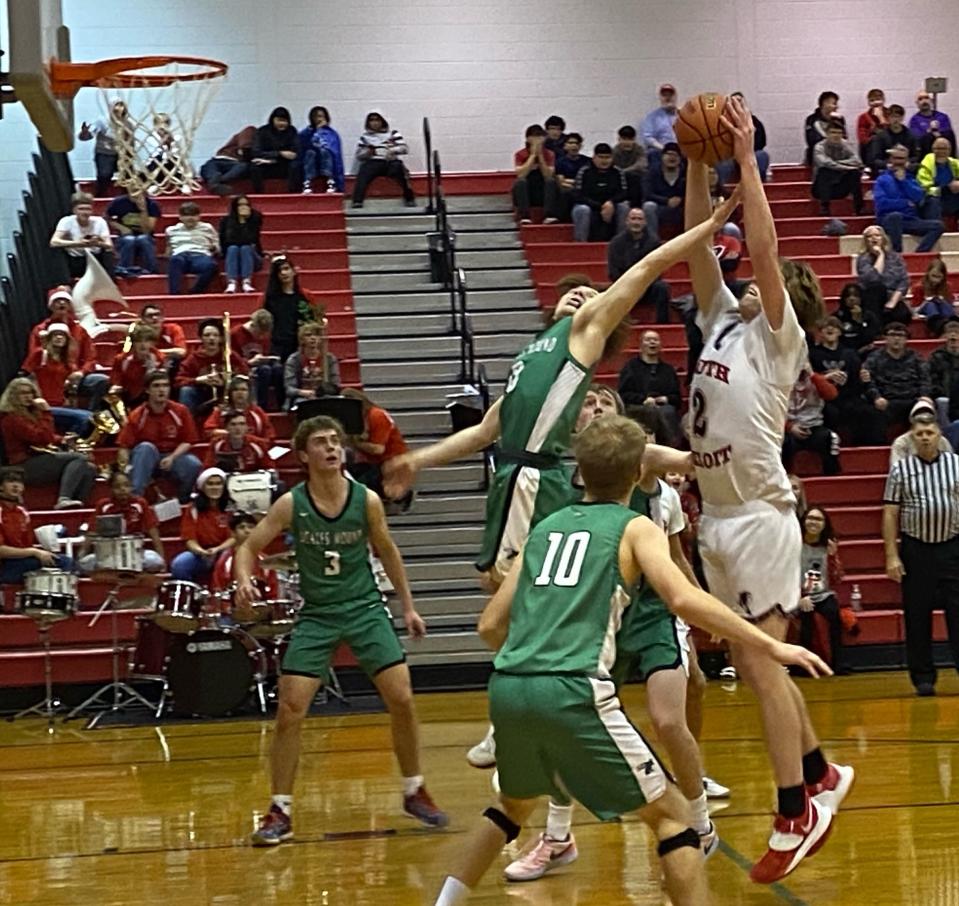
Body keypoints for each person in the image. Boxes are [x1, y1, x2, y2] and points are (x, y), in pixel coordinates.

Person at [432, 415, 829, 906]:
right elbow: (682, 599)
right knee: (676, 820)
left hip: (509, 686)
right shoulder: (635, 526)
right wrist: (770, 645)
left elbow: (489, 626)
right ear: (638, 469)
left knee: (509, 807)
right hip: (573, 689)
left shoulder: (546, 528)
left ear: (580, 469)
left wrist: (533, 656)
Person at [384, 195, 738, 592]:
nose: (580, 296)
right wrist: (418, 459)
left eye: (591, 296)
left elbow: (646, 267)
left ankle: (530, 653)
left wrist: (703, 231)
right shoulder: (536, 353)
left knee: (504, 583)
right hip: (517, 471)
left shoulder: (583, 336)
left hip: (531, 473)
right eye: (574, 292)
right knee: (504, 583)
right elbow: (485, 431)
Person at [685, 96, 853, 883]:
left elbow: (757, 245)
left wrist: (746, 160)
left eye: (765, 277)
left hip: (757, 516)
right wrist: (692, 163)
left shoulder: (775, 339)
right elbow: (697, 254)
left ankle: (796, 808)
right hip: (714, 517)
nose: (749, 278)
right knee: (755, 663)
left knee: (758, 668)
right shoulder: (719, 319)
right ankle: (818, 770)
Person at [238, 416, 447, 844]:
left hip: (364, 607)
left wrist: (408, 607)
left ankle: (414, 789)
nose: (332, 448)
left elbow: (388, 551)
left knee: (402, 696)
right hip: (317, 613)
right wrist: (243, 577)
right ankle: (280, 809)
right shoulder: (291, 504)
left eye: (336, 440)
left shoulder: (366, 500)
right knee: (289, 710)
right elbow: (249, 546)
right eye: (321, 442)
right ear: (304, 456)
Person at [883, 415, 959, 696]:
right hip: (916, 549)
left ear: (940, 434)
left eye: (929, 432)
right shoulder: (901, 470)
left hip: (952, 546)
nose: (925, 437)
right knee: (917, 616)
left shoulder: (957, 465)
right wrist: (892, 555)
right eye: (919, 433)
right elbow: (891, 513)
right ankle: (923, 677)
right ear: (912, 438)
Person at [0, 378, 96, 509]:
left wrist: (62, 439)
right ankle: (63, 498)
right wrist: (46, 412)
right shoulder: (11, 418)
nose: (28, 397)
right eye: (22, 393)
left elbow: (42, 435)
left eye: (30, 393)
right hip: (23, 465)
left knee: (89, 468)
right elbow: (42, 438)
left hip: (37, 458)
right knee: (79, 458)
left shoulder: (29, 413)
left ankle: (76, 506)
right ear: (13, 396)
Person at [117, 370, 203, 503]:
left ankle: (182, 500)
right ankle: (135, 499)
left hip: (172, 456)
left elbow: (188, 440)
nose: (161, 390)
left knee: (194, 464)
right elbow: (124, 446)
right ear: (147, 390)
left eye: (165, 385)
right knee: (146, 448)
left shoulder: (181, 411)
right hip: (145, 459)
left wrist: (172, 457)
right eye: (156, 386)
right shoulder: (137, 415)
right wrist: (125, 469)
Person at [26, 287, 110, 410]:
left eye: (65, 301)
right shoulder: (39, 330)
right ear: (51, 306)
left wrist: (80, 373)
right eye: (57, 300)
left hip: (75, 376)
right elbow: (33, 357)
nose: (62, 303)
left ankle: (90, 415)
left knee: (101, 381)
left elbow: (90, 358)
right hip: (50, 376)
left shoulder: (80, 331)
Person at [811, 315, 884, 446]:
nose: (829, 328)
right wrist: (825, 377)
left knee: (870, 412)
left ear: (840, 331)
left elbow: (859, 381)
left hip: (849, 396)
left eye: (833, 326)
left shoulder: (849, 354)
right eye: (825, 327)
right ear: (820, 333)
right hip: (823, 399)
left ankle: (867, 450)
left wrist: (864, 380)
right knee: (830, 413)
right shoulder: (812, 354)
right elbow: (806, 378)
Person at [798, 507, 853, 674]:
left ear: (824, 525)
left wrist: (833, 556)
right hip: (798, 594)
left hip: (823, 594)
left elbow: (837, 579)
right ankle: (803, 665)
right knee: (805, 619)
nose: (813, 522)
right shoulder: (794, 543)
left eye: (818, 519)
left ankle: (838, 663)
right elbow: (784, 573)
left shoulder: (828, 546)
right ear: (803, 521)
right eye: (810, 518)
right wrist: (799, 596)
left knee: (834, 615)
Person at [78, 471, 166, 574]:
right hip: (109, 555)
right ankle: (118, 570)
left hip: (135, 554)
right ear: (111, 489)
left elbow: (153, 532)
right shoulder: (103, 505)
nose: (122, 490)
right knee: (84, 564)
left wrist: (162, 559)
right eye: (117, 487)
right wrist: (82, 554)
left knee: (155, 562)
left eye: (126, 485)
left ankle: (123, 570)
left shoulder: (140, 504)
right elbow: (91, 532)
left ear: (131, 487)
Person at [0, 467, 76, 584]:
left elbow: (26, 544)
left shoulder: (22, 512)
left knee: (65, 562)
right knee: (64, 562)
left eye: (19, 482)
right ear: (0, 486)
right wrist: (35, 552)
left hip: (20, 561)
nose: (16, 486)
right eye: (10, 482)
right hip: (5, 565)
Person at [22, 324, 96, 437]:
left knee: (91, 419)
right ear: (50, 338)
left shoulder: (68, 362)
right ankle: (67, 445)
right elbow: (24, 377)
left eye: (63, 336)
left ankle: (67, 444)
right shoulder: (40, 355)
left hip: (61, 404)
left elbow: (69, 389)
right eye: (56, 335)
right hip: (43, 405)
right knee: (86, 417)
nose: (59, 338)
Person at [861, 322, 931, 437]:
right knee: (871, 414)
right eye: (892, 335)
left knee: (926, 409)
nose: (896, 339)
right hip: (887, 401)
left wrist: (925, 395)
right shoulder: (874, 358)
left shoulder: (915, 357)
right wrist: (876, 397)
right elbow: (868, 381)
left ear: (906, 339)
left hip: (912, 400)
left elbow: (925, 378)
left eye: (901, 335)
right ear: (885, 338)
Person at [341, 388, 409, 502]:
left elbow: (378, 449)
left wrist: (354, 443)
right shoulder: (361, 418)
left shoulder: (376, 415)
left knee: (360, 484)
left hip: (392, 462)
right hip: (375, 462)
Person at [873, 144, 943, 254]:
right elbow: (881, 204)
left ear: (907, 160)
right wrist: (905, 203)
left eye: (902, 159)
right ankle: (897, 253)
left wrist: (903, 181)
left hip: (910, 220)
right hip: (889, 220)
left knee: (938, 226)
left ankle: (920, 253)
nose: (899, 162)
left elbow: (918, 198)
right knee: (895, 216)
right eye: (896, 158)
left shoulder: (911, 179)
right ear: (891, 159)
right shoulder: (882, 180)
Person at [618, 330, 682, 444]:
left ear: (660, 345)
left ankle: (671, 446)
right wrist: (643, 400)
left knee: (667, 411)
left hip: (663, 408)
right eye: (648, 340)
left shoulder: (668, 369)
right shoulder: (631, 367)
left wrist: (666, 399)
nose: (652, 342)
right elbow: (623, 394)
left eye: (655, 340)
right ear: (641, 345)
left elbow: (677, 398)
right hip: (638, 407)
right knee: (651, 412)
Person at [606, 208, 670, 323]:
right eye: (633, 218)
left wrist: (641, 284)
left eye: (640, 219)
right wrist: (630, 284)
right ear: (627, 221)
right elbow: (613, 271)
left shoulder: (654, 242)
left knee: (662, 287)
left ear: (645, 222)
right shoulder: (616, 243)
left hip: (647, 286)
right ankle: (622, 321)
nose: (636, 222)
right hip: (624, 285)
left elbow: (657, 270)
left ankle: (662, 323)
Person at [175, 319, 250, 415]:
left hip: (227, 393)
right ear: (201, 338)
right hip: (203, 395)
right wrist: (199, 380)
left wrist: (226, 380)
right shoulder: (193, 358)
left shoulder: (230, 356)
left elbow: (245, 374)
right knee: (186, 391)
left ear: (221, 338)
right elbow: (179, 381)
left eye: (215, 335)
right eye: (207, 335)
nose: (211, 338)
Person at [171, 468, 234, 581]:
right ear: (202, 487)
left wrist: (218, 549)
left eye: (219, 484)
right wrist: (202, 552)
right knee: (179, 564)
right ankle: (194, 594)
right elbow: (190, 539)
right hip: (201, 553)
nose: (215, 488)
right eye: (210, 484)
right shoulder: (193, 509)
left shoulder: (232, 507)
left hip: (227, 551)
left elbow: (235, 538)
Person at [782, 359, 842, 476]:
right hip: (788, 428)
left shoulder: (816, 380)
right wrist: (790, 427)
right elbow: (771, 410)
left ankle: (831, 477)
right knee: (782, 444)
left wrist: (812, 374)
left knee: (831, 438)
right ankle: (785, 478)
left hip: (813, 427)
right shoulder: (779, 383)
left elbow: (832, 395)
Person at [262, 256, 321, 362]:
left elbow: (314, 321)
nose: (284, 273)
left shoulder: (305, 296)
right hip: (277, 345)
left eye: (286, 269)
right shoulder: (269, 298)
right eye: (280, 271)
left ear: (294, 271)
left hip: (300, 345)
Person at [351, 112, 415, 208]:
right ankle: (357, 201)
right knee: (363, 170)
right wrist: (368, 152)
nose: (375, 123)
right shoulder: (365, 137)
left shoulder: (393, 134)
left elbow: (405, 148)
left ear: (382, 121)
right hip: (373, 162)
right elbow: (359, 155)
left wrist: (392, 150)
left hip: (390, 161)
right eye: (372, 120)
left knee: (400, 169)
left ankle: (410, 198)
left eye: (377, 120)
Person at [570, 143, 629, 242]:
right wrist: (600, 206)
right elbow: (577, 195)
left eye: (607, 157)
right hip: (589, 205)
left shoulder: (618, 172)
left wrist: (611, 203)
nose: (604, 160)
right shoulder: (584, 171)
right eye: (601, 157)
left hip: (611, 206)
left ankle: (622, 242)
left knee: (624, 207)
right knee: (582, 210)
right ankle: (580, 244)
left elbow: (624, 193)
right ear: (594, 157)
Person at [49, 191, 115, 279]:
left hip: (96, 257)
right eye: (81, 209)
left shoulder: (99, 221)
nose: (85, 212)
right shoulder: (66, 221)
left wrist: (97, 243)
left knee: (108, 253)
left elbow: (109, 245)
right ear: (74, 210)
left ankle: (110, 280)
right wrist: (78, 243)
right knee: (57, 253)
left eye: (88, 209)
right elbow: (54, 242)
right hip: (76, 259)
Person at [856, 225, 912, 324]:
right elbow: (873, 279)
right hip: (871, 298)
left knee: (903, 314)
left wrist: (893, 301)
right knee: (877, 288)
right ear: (866, 241)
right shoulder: (862, 259)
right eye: (869, 236)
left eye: (877, 235)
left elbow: (904, 281)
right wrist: (880, 256)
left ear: (883, 239)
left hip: (892, 296)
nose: (874, 238)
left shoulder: (895, 257)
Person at [231, 309, 283, 409]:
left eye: (264, 334)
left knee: (278, 369)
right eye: (259, 333)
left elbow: (266, 351)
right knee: (264, 371)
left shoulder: (265, 335)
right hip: (244, 367)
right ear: (253, 326)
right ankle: (261, 406)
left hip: (260, 364)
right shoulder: (235, 334)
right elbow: (232, 358)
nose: (261, 337)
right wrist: (248, 362)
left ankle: (281, 403)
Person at [165, 202, 220, 295]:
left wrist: (214, 248)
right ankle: (174, 294)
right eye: (186, 215)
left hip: (200, 256)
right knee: (174, 260)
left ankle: (195, 291)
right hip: (180, 255)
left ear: (199, 216)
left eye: (193, 215)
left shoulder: (207, 228)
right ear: (180, 217)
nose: (190, 218)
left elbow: (217, 247)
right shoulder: (171, 230)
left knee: (211, 265)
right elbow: (168, 248)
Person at [715, 92, 770, 184]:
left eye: (740, 102)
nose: (737, 104)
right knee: (721, 163)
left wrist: (746, 147)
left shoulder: (754, 121)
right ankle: (723, 190)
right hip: (730, 157)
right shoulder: (722, 123)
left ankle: (758, 186)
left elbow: (762, 143)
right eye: (734, 102)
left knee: (762, 156)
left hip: (750, 154)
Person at [204, 375, 276, 444]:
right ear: (230, 393)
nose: (240, 393)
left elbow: (269, 436)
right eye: (236, 390)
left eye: (243, 390)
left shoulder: (257, 412)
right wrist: (231, 434)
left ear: (249, 393)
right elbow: (209, 431)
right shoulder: (221, 411)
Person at [811, 122, 864, 216]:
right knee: (824, 171)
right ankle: (825, 207)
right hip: (821, 188)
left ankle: (859, 208)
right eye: (833, 132)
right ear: (826, 134)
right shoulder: (819, 147)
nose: (836, 135)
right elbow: (824, 163)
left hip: (840, 186)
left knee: (854, 173)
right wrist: (846, 166)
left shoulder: (845, 144)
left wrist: (838, 164)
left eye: (839, 133)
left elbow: (857, 161)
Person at [284, 322, 340, 409]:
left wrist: (322, 392)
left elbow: (336, 384)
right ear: (302, 339)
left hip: (324, 396)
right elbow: (289, 389)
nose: (313, 338)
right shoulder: (294, 360)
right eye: (308, 335)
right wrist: (305, 393)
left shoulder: (329, 358)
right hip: (302, 397)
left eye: (316, 335)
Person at [77, 101, 129, 196]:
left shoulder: (128, 123)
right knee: (104, 176)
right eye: (116, 105)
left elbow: (131, 140)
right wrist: (85, 132)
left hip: (121, 154)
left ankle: (128, 198)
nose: (118, 108)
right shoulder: (102, 121)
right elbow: (90, 134)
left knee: (129, 175)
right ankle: (100, 196)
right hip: (105, 154)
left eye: (121, 105)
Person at [105, 189, 161, 276]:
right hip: (125, 237)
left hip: (145, 236)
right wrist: (121, 227)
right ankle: (124, 270)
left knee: (143, 239)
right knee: (129, 240)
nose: (135, 195)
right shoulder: (119, 202)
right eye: (133, 191)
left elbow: (147, 230)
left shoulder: (152, 204)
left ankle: (152, 270)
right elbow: (106, 217)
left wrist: (143, 210)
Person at [108, 323, 165, 407]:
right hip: (127, 396)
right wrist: (116, 387)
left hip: (149, 397)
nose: (143, 344)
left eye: (146, 341)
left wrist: (152, 369)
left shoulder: (159, 358)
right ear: (133, 343)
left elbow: (161, 384)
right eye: (139, 341)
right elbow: (115, 380)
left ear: (152, 343)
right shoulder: (122, 359)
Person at [511, 125, 558, 225]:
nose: (537, 140)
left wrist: (540, 155)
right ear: (528, 139)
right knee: (520, 182)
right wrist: (532, 155)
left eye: (540, 137)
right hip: (526, 191)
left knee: (551, 181)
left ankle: (549, 215)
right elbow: (521, 174)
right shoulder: (520, 154)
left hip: (542, 190)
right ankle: (525, 216)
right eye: (534, 137)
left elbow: (548, 175)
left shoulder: (550, 154)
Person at [250, 107, 301, 194]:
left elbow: (294, 153)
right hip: (266, 163)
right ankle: (259, 193)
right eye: (279, 120)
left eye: (284, 121)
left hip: (283, 164)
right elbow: (256, 152)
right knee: (254, 167)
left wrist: (276, 159)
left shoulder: (292, 131)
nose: (282, 123)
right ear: (273, 120)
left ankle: (293, 192)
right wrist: (279, 154)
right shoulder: (262, 131)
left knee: (295, 165)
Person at [219, 195, 263, 293]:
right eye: (240, 205)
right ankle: (232, 282)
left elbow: (251, 239)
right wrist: (239, 222)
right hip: (233, 256)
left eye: (246, 205)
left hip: (252, 256)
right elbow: (228, 240)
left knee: (245, 248)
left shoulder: (255, 218)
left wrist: (244, 221)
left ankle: (246, 282)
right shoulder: (226, 221)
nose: (244, 207)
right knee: (233, 248)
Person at [889, 399, 953, 466]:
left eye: (929, 433)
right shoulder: (901, 442)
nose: (925, 437)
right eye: (919, 413)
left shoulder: (943, 441)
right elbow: (896, 467)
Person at [205, 410, 273, 474]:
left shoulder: (258, 444)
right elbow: (208, 468)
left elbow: (269, 468)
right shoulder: (217, 443)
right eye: (233, 424)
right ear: (226, 427)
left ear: (247, 427)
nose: (238, 428)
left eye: (242, 424)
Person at [642, 142, 686, 237]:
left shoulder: (686, 173)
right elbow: (647, 194)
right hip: (660, 207)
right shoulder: (652, 172)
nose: (672, 158)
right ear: (662, 156)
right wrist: (666, 201)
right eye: (669, 154)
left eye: (676, 155)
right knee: (648, 206)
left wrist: (681, 200)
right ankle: (652, 241)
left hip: (680, 209)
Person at [299, 105, 345, 194]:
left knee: (325, 151)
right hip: (312, 160)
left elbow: (334, 150)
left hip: (326, 161)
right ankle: (307, 182)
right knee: (310, 152)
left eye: (321, 116)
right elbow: (304, 144)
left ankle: (330, 182)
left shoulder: (331, 133)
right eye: (316, 116)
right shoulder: (306, 132)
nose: (318, 119)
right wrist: (317, 130)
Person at [199, 125, 257, 196]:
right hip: (220, 159)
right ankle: (217, 183)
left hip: (234, 163)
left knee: (241, 167)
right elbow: (245, 147)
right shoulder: (251, 131)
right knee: (209, 169)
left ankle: (216, 183)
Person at [868, 105, 919, 177]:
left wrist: (905, 163)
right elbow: (875, 159)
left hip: (906, 169)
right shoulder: (880, 136)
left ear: (902, 117)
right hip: (887, 170)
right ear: (888, 118)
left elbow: (916, 157)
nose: (895, 120)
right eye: (892, 117)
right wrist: (888, 164)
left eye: (898, 116)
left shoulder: (911, 135)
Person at [550, 133, 591, 223]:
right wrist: (578, 182)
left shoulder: (588, 161)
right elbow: (561, 182)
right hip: (569, 190)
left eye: (577, 143)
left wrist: (573, 182)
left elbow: (589, 180)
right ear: (565, 146)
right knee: (566, 191)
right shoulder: (560, 162)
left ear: (580, 146)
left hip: (584, 190)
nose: (574, 146)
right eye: (571, 143)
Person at [918, 136, 959, 221]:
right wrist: (946, 189)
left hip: (953, 197)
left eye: (945, 148)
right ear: (933, 149)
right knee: (933, 202)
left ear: (950, 150)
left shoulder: (954, 163)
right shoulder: (925, 166)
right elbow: (924, 189)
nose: (942, 151)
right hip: (935, 199)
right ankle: (937, 230)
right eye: (939, 148)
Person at [929, 322, 959, 440]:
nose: (953, 336)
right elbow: (931, 380)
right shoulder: (937, 357)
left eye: (957, 333)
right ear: (945, 336)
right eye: (950, 333)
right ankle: (946, 438)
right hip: (945, 398)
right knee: (942, 401)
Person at [835, 282, 880, 354]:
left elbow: (870, 338)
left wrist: (859, 321)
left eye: (856, 296)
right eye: (848, 296)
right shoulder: (836, 317)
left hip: (864, 350)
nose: (851, 298)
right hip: (843, 353)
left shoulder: (870, 316)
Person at [803, 91, 846, 167]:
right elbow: (812, 141)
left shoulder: (839, 119)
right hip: (818, 155)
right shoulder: (811, 120)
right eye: (834, 103)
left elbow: (844, 138)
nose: (837, 107)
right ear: (825, 103)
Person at [640, 83, 679, 165]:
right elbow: (647, 137)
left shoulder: (684, 115)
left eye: (670, 95)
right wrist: (663, 148)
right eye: (665, 95)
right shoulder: (652, 117)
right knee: (652, 154)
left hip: (680, 151)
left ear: (675, 97)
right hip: (660, 151)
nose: (668, 98)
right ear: (661, 98)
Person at [917, 259, 957, 336]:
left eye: (939, 277)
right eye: (933, 276)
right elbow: (915, 308)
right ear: (928, 273)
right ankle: (937, 325)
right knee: (931, 305)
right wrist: (928, 300)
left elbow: (950, 304)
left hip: (943, 311)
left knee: (943, 303)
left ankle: (952, 322)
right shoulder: (919, 287)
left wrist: (941, 300)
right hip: (925, 310)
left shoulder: (947, 287)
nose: (935, 280)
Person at [909, 90, 956, 155]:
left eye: (926, 98)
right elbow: (918, 139)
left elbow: (948, 136)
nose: (924, 101)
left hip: (943, 152)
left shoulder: (942, 117)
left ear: (931, 100)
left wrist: (936, 133)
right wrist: (930, 130)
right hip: (925, 154)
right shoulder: (914, 120)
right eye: (920, 99)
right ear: (917, 103)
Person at [856, 89, 889, 161]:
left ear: (883, 100)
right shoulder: (863, 117)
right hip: (871, 151)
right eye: (872, 100)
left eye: (878, 99)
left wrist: (881, 118)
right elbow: (862, 139)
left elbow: (894, 133)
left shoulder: (890, 114)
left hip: (888, 149)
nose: (875, 103)